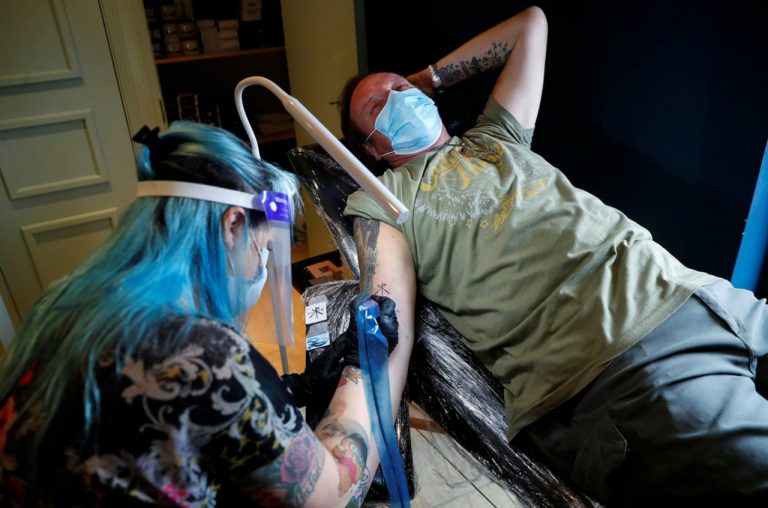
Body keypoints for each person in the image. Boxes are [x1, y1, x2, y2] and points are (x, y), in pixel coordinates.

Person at [339, 6, 768, 505]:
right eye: (379, 106)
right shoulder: (383, 201)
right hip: (621, 362)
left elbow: (531, 25)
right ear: (373, 149)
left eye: (399, 88)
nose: (398, 99)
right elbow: (387, 325)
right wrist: (345, 453)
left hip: (702, 299)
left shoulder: (494, 137)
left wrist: (425, 80)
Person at [0, 122, 410, 507]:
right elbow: (332, 495)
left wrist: (294, 388)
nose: (262, 265)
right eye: (264, 248)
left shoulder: (62, 303)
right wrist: (364, 366)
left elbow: (183, 417)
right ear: (233, 225)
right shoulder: (199, 354)